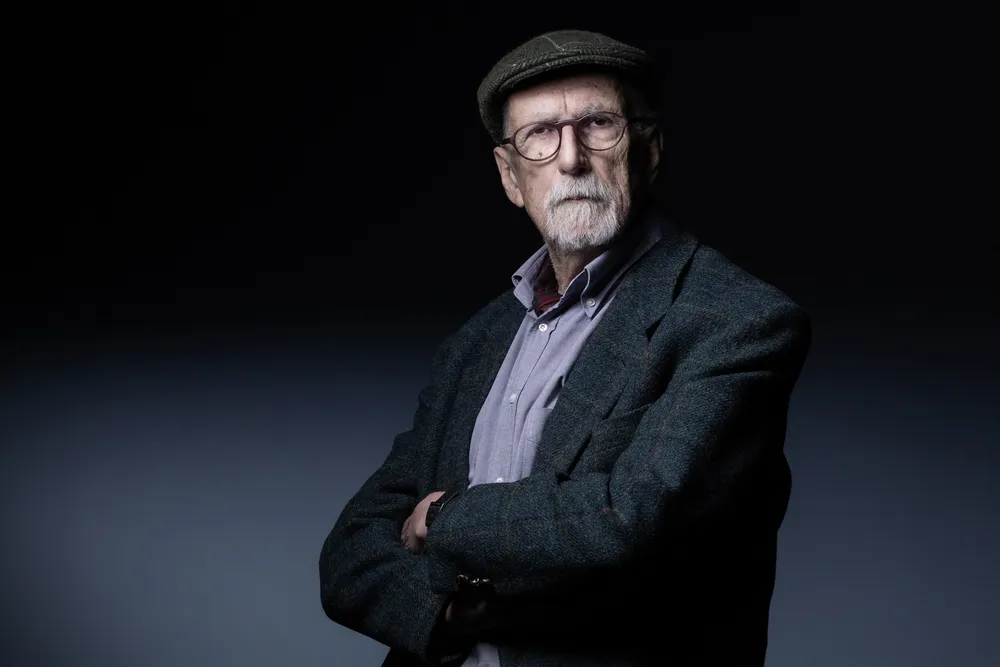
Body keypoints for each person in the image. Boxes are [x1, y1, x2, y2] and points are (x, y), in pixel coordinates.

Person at [319, 28, 811, 667]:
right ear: (510, 176)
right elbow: (350, 553)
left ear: (649, 149)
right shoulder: (476, 343)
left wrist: (443, 520)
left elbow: (627, 516)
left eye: (599, 124)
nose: (571, 159)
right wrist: (454, 614)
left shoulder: (737, 321)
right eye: (540, 134)